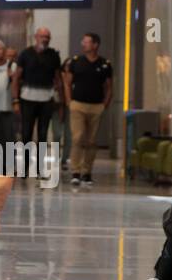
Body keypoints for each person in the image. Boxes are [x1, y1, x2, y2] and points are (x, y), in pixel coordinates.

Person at [62, 32, 113, 187]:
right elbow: (67, 83)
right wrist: (69, 101)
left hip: (96, 106)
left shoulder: (105, 64)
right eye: (83, 41)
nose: (83, 44)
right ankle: (75, 171)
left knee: (91, 141)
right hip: (78, 104)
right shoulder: (76, 62)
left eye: (86, 42)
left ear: (95, 45)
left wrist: (105, 104)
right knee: (78, 137)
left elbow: (109, 87)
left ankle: (87, 172)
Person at [13, 27, 62, 179]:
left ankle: (40, 169)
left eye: (47, 36)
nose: (45, 39)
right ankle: (26, 167)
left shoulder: (53, 55)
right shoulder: (26, 54)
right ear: (36, 37)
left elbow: (58, 78)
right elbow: (16, 77)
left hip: (46, 100)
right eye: (42, 36)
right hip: (27, 99)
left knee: (42, 135)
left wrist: (60, 100)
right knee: (26, 134)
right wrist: (15, 100)